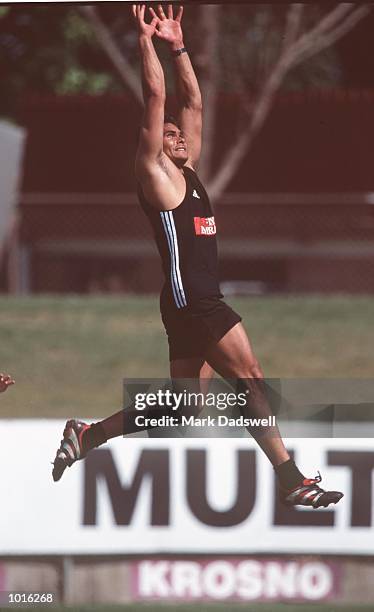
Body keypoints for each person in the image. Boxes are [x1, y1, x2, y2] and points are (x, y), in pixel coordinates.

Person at [52, 4, 343, 510]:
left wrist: (179, 44)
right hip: (197, 300)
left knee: (186, 403)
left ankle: (90, 434)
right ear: (154, 148)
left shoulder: (188, 173)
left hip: (187, 302)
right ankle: (290, 477)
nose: (180, 136)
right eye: (169, 134)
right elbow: (158, 95)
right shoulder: (155, 175)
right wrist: (145, 41)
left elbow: (194, 102)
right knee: (249, 375)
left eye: (180, 134)